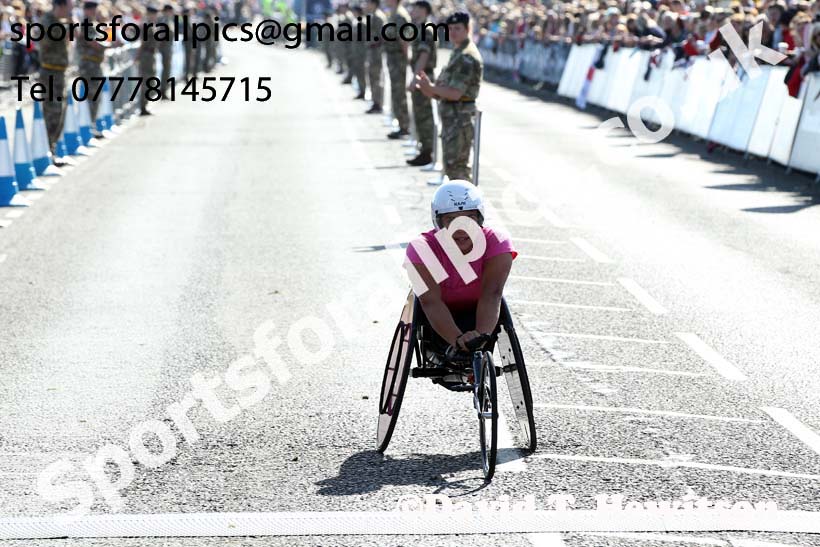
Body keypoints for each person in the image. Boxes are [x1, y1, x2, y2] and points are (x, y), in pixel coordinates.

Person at [405, 180, 515, 352]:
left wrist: (479, 337)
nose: (461, 228)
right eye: (451, 219)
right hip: (438, 318)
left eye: (469, 218)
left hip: (480, 312)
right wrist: (458, 340)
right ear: (438, 221)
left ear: (480, 218)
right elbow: (430, 302)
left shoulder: (497, 242)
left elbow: (492, 294)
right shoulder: (420, 248)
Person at [416, 10, 482, 182]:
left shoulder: (467, 56)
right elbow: (443, 90)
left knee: (458, 169)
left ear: (468, 29)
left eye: (457, 29)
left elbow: (455, 93)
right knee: (451, 166)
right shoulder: (458, 52)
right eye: (450, 28)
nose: (452, 32)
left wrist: (430, 87)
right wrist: (428, 89)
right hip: (452, 118)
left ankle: (465, 207)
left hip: (460, 119)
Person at [35, 0, 72, 162]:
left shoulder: (58, 22)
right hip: (50, 72)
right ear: (61, 6)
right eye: (69, 8)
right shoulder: (48, 21)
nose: (70, 11)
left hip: (59, 72)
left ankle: (52, 149)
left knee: (59, 113)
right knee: (52, 112)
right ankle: (47, 151)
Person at [406, 0, 436, 166]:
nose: (413, 11)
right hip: (422, 74)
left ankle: (427, 152)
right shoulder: (420, 28)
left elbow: (424, 56)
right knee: (419, 114)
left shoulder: (426, 30)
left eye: (416, 8)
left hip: (424, 75)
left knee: (424, 115)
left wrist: (415, 78)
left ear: (424, 10)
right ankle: (424, 149)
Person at [76, 0, 107, 135]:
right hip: (89, 65)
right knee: (92, 95)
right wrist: (108, 45)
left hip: (94, 64)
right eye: (93, 9)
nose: (95, 12)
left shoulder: (93, 24)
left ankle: (91, 124)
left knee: (95, 95)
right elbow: (93, 42)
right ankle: (89, 126)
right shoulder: (86, 24)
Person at [383, 0, 411, 139]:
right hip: (393, 58)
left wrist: (407, 59)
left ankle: (404, 125)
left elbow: (404, 39)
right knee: (395, 91)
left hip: (398, 58)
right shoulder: (392, 14)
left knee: (399, 92)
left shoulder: (400, 15)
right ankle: (401, 124)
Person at [364, 0, 386, 113]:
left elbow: (382, 36)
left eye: (368, 3)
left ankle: (378, 103)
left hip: (376, 52)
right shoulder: (372, 16)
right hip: (372, 51)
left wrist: (374, 43)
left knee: (377, 78)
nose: (366, 5)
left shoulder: (378, 17)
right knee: (372, 77)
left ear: (374, 4)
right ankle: (375, 102)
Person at [138, 5, 160, 116]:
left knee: (151, 80)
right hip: (146, 55)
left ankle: (145, 104)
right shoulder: (146, 25)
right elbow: (142, 42)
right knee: (146, 81)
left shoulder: (152, 25)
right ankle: (143, 106)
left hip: (151, 55)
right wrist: (137, 56)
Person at [350, 4, 368, 99]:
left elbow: (363, 36)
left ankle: (363, 91)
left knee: (362, 72)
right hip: (357, 50)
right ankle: (361, 91)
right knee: (358, 72)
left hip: (362, 51)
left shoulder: (362, 22)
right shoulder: (357, 21)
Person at [159, 3, 175, 99]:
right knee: (166, 70)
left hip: (167, 47)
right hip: (165, 48)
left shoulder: (168, 20)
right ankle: (163, 90)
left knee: (167, 70)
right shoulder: (164, 20)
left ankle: (164, 90)